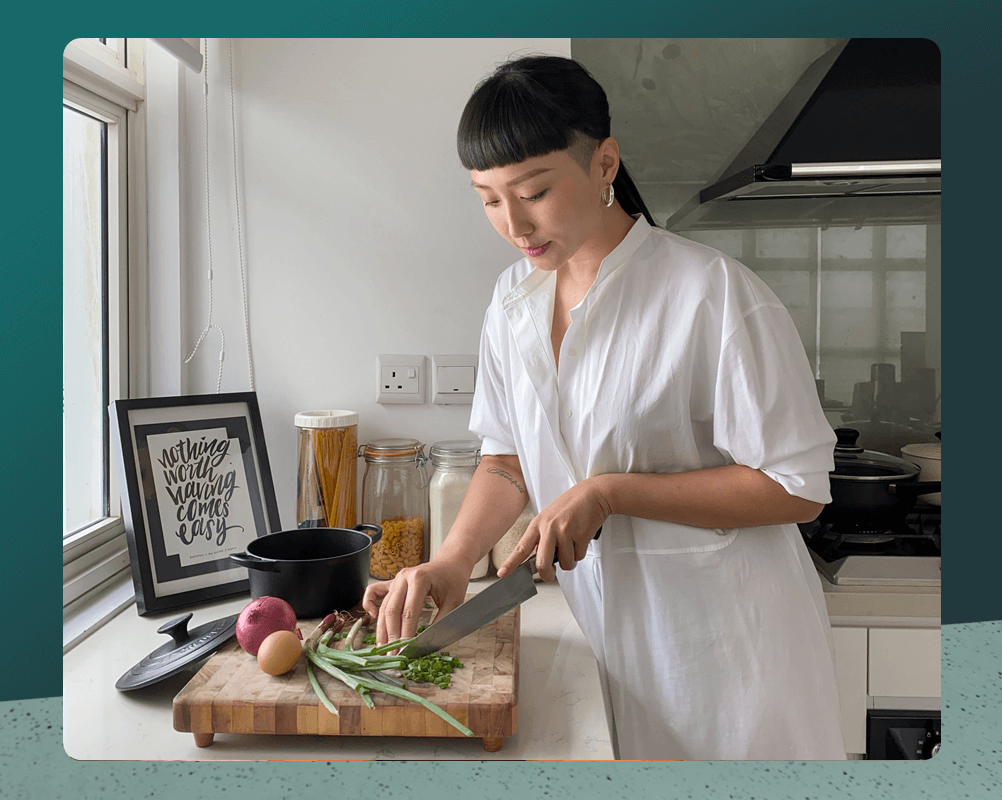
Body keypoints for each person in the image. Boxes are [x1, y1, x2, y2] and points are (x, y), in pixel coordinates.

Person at [363, 54, 846, 761]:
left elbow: (797, 490)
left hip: (728, 659)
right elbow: (506, 458)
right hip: (605, 646)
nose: (512, 222)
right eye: (489, 198)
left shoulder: (712, 296)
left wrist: (609, 492)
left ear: (603, 163)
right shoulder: (512, 302)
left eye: (533, 191)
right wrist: (452, 563)